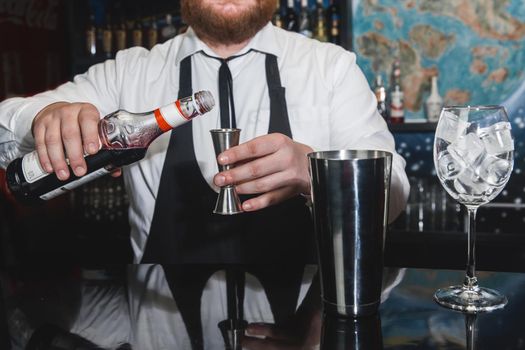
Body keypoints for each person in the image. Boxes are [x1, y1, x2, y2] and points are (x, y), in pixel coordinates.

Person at [0, 0, 410, 348]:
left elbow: (392, 198)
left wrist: (314, 170)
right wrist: (44, 115)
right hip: (158, 328)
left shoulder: (330, 69)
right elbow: (5, 136)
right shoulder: (128, 74)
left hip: (306, 316)